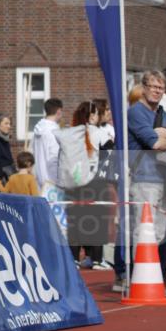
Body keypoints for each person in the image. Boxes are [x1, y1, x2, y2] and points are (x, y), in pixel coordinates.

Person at [127, 69, 166, 297]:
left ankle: (153, 278)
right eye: (153, 86)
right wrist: (165, 137)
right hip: (142, 178)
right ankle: (137, 280)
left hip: (162, 177)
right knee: (143, 231)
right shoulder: (136, 113)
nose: (157, 91)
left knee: (160, 232)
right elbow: (154, 144)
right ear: (144, 87)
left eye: (161, 88)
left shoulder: (161, 111)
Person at [61, 101, 109, 270]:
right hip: (93, 180)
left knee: (75, 220)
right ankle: (96, 259)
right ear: (92, 116)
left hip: (74, 179)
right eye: (96, 113)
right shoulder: (99, 133)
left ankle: (74, 258)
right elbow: (110, 152)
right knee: (97, 219)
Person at [32, 98, 63, 189]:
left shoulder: (38, 129)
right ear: (58, 111)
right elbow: (55, 158)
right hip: (52, 183)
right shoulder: (55, 132)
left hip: (39, 180)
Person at [0, 114, 14, 183]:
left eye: (9, 124)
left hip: (9, 174)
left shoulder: (5, 139)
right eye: (6, 123)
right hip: (1, 178)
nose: (9, 126)